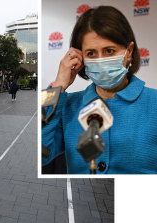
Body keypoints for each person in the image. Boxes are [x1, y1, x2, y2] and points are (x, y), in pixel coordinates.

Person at [42, 6, 157, 174]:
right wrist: (58, 86)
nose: (101, 60)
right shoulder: (66, 106)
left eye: (109, 51)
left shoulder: (153, 103)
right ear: (80, 58)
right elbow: (41, 153)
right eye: (91, 53)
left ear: (129, 51)